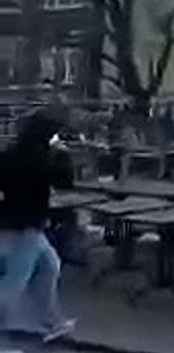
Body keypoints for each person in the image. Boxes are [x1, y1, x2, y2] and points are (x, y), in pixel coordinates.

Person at [0, 110, 76, 345]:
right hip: (28, 225)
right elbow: (65, 183)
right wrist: (63, 154)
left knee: (49, 265)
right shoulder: (47, 157)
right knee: (15, 281)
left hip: (11, 220)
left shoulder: (10, 154)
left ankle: (50, 321)